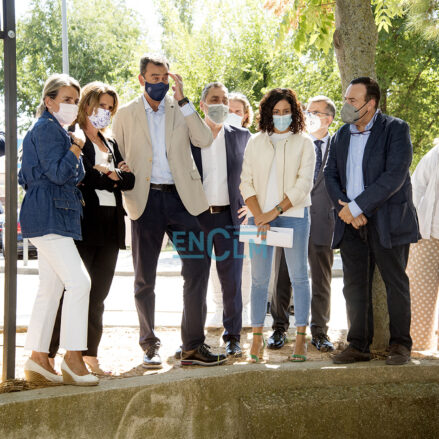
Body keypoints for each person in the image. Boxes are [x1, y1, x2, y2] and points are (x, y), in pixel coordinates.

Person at [112, 54, 226, 367]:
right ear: (141, 79)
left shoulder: (180, 109)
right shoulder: (125, 115)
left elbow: (203, 138)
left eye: (164, 77)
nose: (160, 82)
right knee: (144, 278)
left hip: (183, 201)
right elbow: (116, 154)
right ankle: (150, 345)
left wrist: (185, 100)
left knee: (198, 268)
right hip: (145, 202)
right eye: (154, 77)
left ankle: (192, 345)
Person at [324, 76, 420, 366]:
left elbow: (395, 175)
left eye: (352, 100)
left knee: (396, 284)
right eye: (345, 100)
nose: (346, 105)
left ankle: (400, 345)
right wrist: (346, 209)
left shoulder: (395, 129)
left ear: (371, 103)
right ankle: (358, 346)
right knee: (354, 286)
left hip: (389, 221)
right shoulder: (341, 134)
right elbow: (329, 174)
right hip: (351, 224)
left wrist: (357, 206)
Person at [48, 82, 135, 374]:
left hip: (111, 227)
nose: (106, 112)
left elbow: (130, 180)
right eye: (101, 106)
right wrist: (111, 175)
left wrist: (108, 174)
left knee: (98, 295)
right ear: (87, 105)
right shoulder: (74, 138)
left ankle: (90, 356)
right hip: (83, 225)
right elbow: (82, 177)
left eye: (111, 108)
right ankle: (49, 354)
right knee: (72, 291)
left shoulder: (110, 143)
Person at [20, 73, 98, 386]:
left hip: (51, 214)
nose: (71, 105)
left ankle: (38, 358)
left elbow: (75, 175)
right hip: (50, 213)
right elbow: (59, 172)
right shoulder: (49, 129)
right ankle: (73, 358)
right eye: (66, 99)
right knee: (79, 283)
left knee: (50, 289)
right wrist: (77, 147)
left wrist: (74, 149)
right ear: (49, 100)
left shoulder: (54, 130)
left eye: (74, 100)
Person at [240, 88, 315, 362]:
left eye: (286, 112)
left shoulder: (304, 142)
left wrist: (274, 211)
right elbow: (245, 181)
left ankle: (301, 339)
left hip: (293, 217)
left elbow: (303, 184)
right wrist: (259, 214)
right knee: (259, 281)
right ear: (267, 113)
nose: (281, 117)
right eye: (276, 112)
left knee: (299, 277)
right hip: (258, 218)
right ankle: (257, 340)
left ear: (294, 113)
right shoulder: (255, 142)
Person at [267, 96, 336, 352]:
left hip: (323, 223)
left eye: (316, 112)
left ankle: (319, 332)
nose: (309, 115)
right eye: (307, 111)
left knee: (321, 279)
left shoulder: (339, 144)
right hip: (288, 218)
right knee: (281, 277)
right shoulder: (291, 141)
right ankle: (278, 328)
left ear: (328, 118)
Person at [191, 82, 251, 357]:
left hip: (229, 219)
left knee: (232, 281)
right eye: (215, 99)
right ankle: (192, 340)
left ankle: (233, 337)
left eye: (224, 100)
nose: (221, 104)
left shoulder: (242, 136)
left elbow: (253, 177)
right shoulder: (189, 135)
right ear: (202, 104)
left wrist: (250, 207)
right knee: (195, 280)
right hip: (196, 219)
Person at [407, 138, 439, 351]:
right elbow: (415, 191)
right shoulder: (434, 155)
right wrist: (416, 227)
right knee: (420, 295)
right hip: (428, 235)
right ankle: (420, 346)